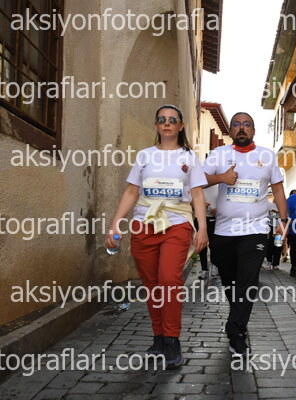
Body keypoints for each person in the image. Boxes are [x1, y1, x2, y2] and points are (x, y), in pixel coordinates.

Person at [105, 104, 209, 367]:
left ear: (181, 126)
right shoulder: (145, 156)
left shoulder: (189, 157)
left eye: (173, 120)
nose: (167, 123)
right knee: (152, 286)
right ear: (156, 125)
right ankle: (159, 338)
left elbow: (197, 194)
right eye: (162, 119)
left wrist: (202, 229)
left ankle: (172, 340)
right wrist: (116, 223)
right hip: (144, 224)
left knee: (169, 280)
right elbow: (132, 191)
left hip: (176, 224)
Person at [203, 112, 288, 356]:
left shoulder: (266, 155)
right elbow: (198, 180)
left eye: (247, 124)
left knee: (248, 281)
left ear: (253, 130)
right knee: (231, 282)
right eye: (237, 124)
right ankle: (237, 317)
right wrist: (222, 178)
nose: (242, 128)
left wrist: (283, 221)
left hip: (256, 229)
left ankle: (237, 331)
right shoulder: (219, 154)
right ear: (231, 131)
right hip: (223, 231)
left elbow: (278, 190)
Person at [197, 184, 219, 280]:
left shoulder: (218, 185)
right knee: (202, 246)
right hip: (200, 218)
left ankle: (215, 266)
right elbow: (191, 201)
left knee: (214, 245)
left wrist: (217, 210)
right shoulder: (198, 186)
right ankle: (204, 269)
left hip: (215, 219)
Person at [263, 200, 283, 270]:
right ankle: (269, 261)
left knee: (278, 245)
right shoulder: (270, 206)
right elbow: (267, 217)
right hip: (271, 227)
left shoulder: (283, 206)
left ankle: (276, 264)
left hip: (280, 227)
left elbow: (286, 216)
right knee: (270, 245)